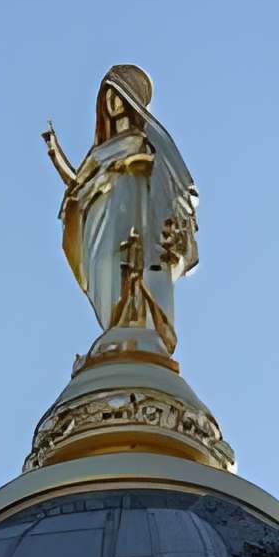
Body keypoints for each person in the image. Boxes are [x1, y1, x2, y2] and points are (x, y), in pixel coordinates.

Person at [42, 65, 198, 353]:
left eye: (118, 96)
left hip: (136, 215)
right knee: (106, 269)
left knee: (135, 270)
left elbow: (166, 178)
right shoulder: (100, 151)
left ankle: (143, 325)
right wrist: (55, 153)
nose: (112, 103)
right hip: (104, 220)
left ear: (130, 99)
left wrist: (132, 165)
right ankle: (118, 327)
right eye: (107, 97)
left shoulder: (146, 142)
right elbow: (78, 184)